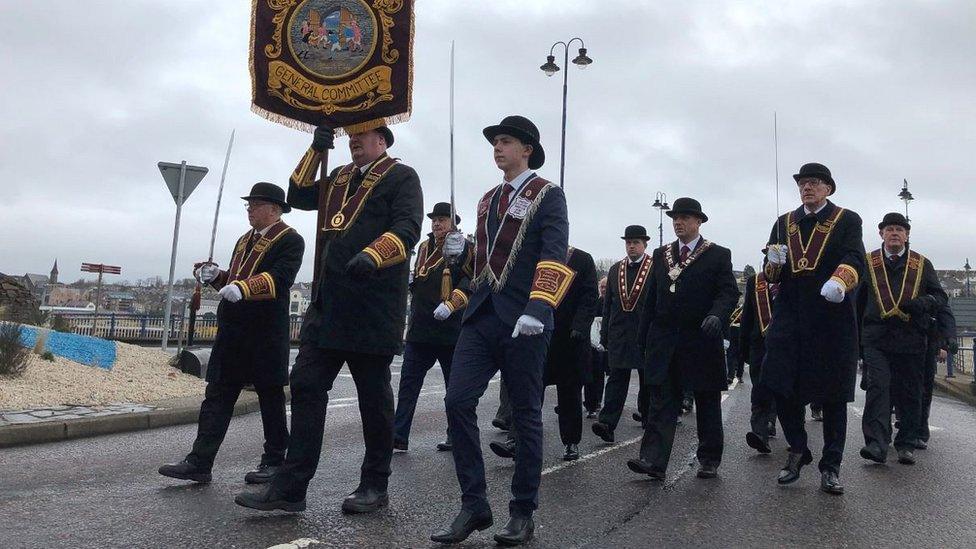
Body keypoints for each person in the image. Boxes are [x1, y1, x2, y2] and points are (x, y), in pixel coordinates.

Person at [235, 124, 422, 513]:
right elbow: (299, 195)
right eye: (350, 136)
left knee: (373, 397)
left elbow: (407, 229)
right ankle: (292, 486)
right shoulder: (336, 177)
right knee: (304, 385)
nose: (353, 140)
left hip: (372, 304)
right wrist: (316, 149)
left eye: (363, 135)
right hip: (328, 303)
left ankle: (375, 484)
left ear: (382, 141)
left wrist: (373, 255)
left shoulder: (402, 176)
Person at [431, 115, 569, 546]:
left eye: (505, 142)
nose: (497, 148)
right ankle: (474, 505)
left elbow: (554, 252)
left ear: (527, 149)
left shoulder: (549, 194)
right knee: (457, 402)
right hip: (482, 316)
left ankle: (522, 511)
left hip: (525, 321)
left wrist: (539, 307)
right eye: (495, 142)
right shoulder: (488, 200)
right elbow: (480, 266)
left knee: (525, 416)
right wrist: (457, 253)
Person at [159, 183, 303, 485]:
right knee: (217, 397)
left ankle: (275, 460)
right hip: (234, 332)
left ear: (274, 209)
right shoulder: (243, 240)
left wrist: (243, 287)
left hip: (265, 332)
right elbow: (234, 282)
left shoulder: (291, 240)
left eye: (255, 204)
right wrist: (218, 277)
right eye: (248, 204)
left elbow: (280, 279)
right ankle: (200, 461)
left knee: (270, 398)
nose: (249, 209)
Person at [762, 162, 865, 495]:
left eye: (815, 183)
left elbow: (855, 258)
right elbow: (772, 275)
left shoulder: (847, 219)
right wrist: (772, 265)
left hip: (831, 315)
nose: (808, 188)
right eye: (804, 183)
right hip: (791, 314)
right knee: (779, 382)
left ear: (828, 188)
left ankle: (831, 466)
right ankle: (798, 449)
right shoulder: (784, 223)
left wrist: (840, 281)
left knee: (833, 394)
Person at [628, 198, 739, 480]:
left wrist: (717, 315)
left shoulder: (717, 254)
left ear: (698, 222)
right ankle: (653, 461)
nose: (678, 222)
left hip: (701, 337)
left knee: (707, 401)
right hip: (665, 339)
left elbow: (728, 293)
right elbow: (651, 298)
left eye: (685, 218)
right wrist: (643, 338)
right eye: (675, 218)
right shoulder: (661, 253)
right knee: (662, 401)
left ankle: (709, 458)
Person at [489, 247, 598, 462]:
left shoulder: (582, 259)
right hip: (538, 335)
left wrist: (580, 325)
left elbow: (590, 296)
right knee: (528, 393)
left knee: (569, 395)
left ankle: (570, 442)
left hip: (570, 340)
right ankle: (517, 440)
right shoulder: (534, 256)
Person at [858, 212, 947, 466]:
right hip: (877, 338)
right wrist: (856, 340)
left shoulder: (922, 264)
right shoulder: (868, 263)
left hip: (911, 339)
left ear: (907, 235)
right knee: (879, 388)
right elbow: (858, 303)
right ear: (881, 234)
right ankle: (876, 443)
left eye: (899, 229)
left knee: (910, 391)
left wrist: (925, 302)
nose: (894, 233)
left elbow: (941, 298)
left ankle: (906, 443)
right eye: (889, 229)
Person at [393, 202, 472, 453]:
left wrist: (452, 304)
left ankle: (455, 435)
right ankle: (398, 435)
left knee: (454, 390)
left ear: (453, 223)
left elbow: (470, 281)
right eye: (434, 220)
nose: (437, 224)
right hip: (420, 328)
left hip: (450, 329)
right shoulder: (424, 247)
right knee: (408, 386)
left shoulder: (464, 247)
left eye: (442, 220)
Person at [592, 226, 653, 443]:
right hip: (619, 333)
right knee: (617, 378)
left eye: (636, 242)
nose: (631, 246)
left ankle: (648, 418)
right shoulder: (616, 269)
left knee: (648, 380)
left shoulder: (655, 268)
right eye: (628, 242)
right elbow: (608, 304)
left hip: (645, 333)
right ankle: (607, 423)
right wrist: (605, 334)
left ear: (645, 244)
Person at [739, 262, 778, 454]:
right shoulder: (755, 282)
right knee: (759, 386)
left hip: (786, 343)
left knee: (783, 389)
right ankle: (760, 433)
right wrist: (743, 347)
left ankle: (774, 421)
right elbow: (747, 314)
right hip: (758, 343)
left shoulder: (794, 279)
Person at [584, 277, 610, 419]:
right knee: (594, 372)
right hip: (594, 342)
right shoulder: (596, 302)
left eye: (606, 287)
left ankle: (599, 401)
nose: (604, 289)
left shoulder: (613, 302)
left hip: (609, 342)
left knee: (606, 374)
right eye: (602, 287)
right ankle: (592, 403)